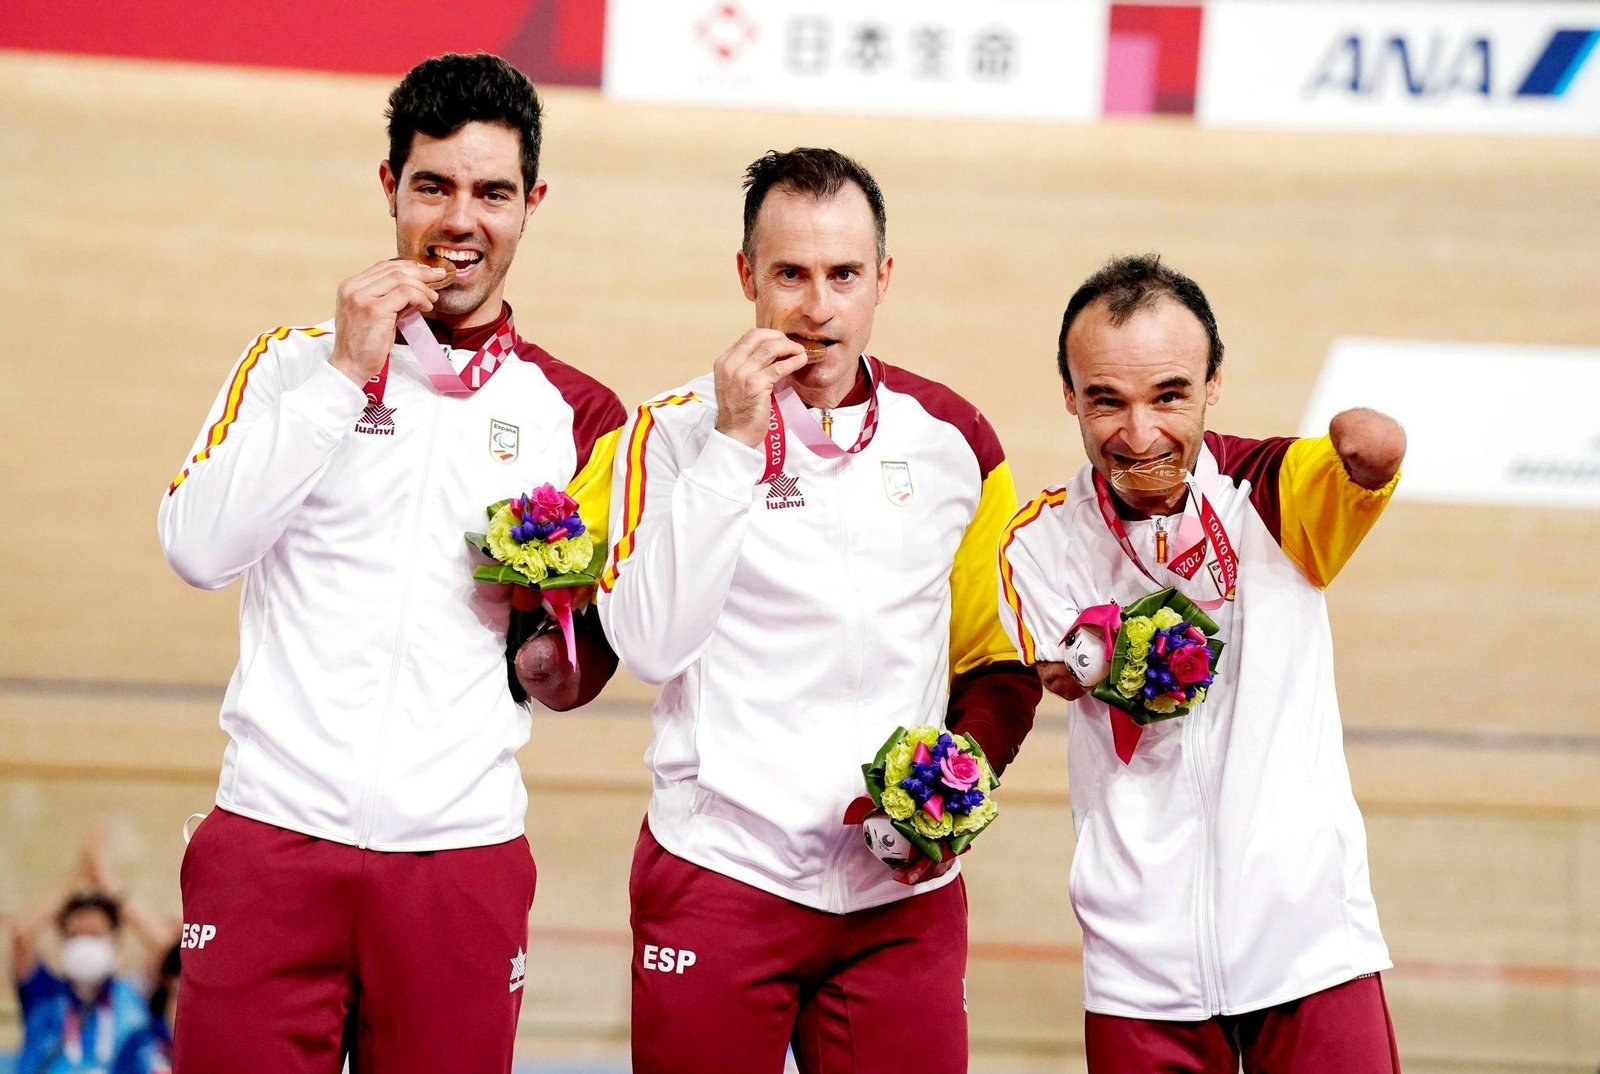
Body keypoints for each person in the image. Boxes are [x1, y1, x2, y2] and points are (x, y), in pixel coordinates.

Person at [156, 52, 624, 1073]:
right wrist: (342, 375)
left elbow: (577, 674)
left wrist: (551, 629)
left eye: (492, 192)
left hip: (459, 861)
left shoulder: (577, 417)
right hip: (272, 841)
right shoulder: (287, 365)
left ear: (531, 204)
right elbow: (197, 549)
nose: (463, 219)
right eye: (434, 186)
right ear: (390, 189)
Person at [598, 147, 1042, 1074]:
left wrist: (946, 801)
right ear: (746, 278)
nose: (817, 305)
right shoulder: (672, 433)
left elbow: (994, 664)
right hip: (722, 875)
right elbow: (647, 644)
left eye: (843, 274)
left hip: (900, 901)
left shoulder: (954, 441)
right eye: (789, 274)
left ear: (883, 278)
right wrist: (731, 445)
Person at [997, 254, 1406, 1073]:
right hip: (1141, 974)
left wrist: (1370, 448)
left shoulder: (1275, 492)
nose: (1140, 434)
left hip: (1311, 947)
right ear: (1071, 397)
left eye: (1169, 395)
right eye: (1107, 400)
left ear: (1214, 383)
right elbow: (1060, 673)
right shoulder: (1038, 542)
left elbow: (1375, 454)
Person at [7, 831, 176, 1074]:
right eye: (76, 935)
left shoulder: (135, 994)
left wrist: (105, 879)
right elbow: (22, 933)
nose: (85, 944)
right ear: (62, 941)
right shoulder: (43, 994)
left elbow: (167, 947)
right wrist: (78, 874)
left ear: (115, 942)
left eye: (95, 934)